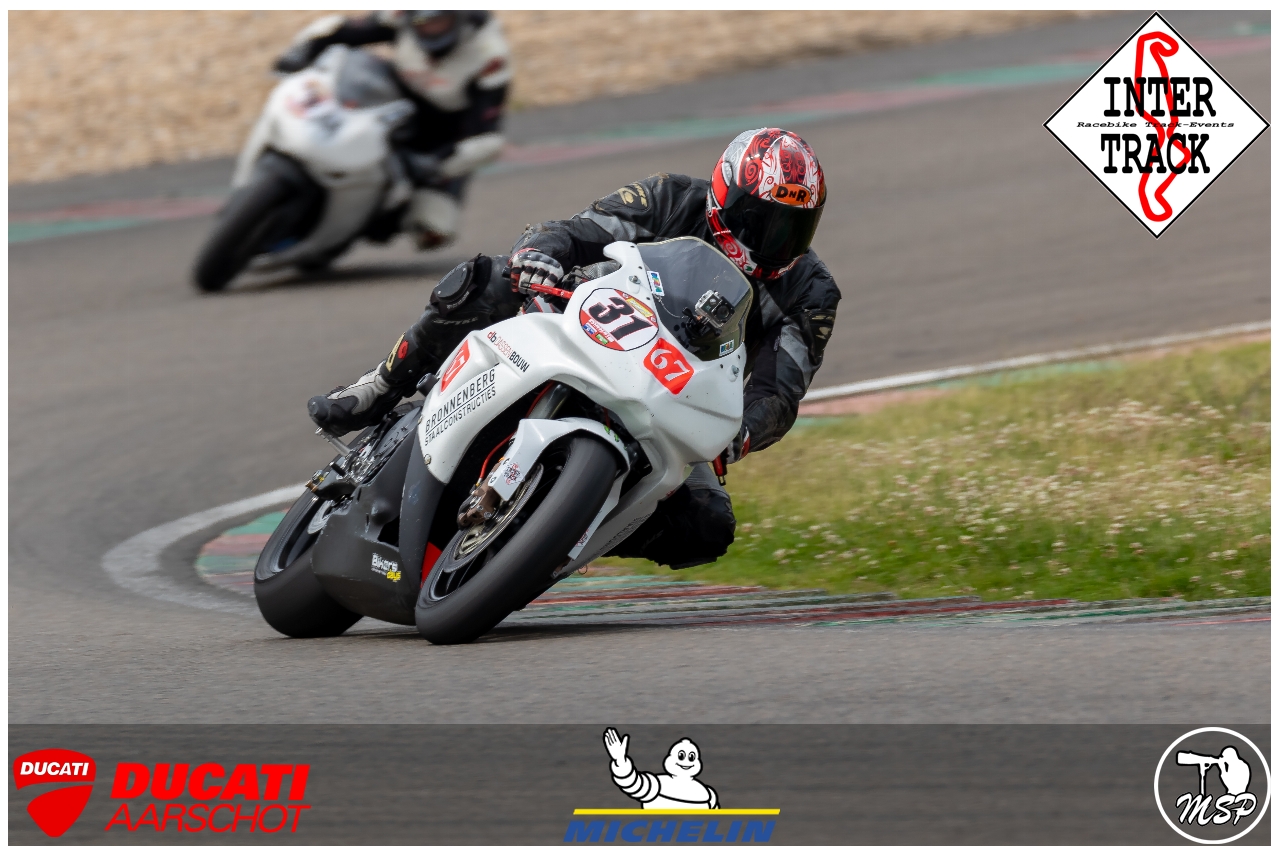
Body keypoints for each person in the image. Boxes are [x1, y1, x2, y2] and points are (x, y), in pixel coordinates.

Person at [308, 127, 840, 568]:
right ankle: (381, 385)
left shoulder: (811, 293)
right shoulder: (668, 197)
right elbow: (575, 231)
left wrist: (741, 435)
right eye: (761, 220)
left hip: (670, 397)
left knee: (708, 526)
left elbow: (779, 391)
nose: (773, 240)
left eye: (793, 227)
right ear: (726, 194)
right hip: (587, 321)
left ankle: (563, 531)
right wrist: (540, 254)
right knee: (483, 281)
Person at [275, 11, 511, 248]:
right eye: (422, 21)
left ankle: (371, 222)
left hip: (443, 135)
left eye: (440, 21)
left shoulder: (489, 54)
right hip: (391, 102)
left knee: (433, 230)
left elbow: (486, 136)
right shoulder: (399, 14)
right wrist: (301, 52)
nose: (431, 28)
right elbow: (340, 30)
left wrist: (438, 164)